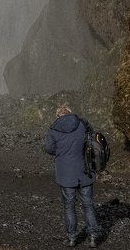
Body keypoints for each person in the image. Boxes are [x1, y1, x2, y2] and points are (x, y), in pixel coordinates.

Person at [44, 103, 102, 247]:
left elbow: (49, 149)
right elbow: (92, 139)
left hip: (66, 174)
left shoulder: (54, 129)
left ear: (58, 116)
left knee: (69, 206)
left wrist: (61, 152)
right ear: (70, 113)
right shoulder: (81, 124)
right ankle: (94, 237)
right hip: (85, 171)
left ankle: (72, 238)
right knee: (88, 205)